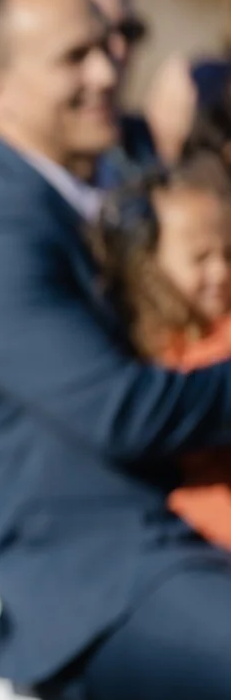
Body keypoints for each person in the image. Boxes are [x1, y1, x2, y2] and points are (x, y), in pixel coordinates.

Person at [0, 0, 231, 700]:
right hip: (97, 580)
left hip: (180, 531)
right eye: (74, 57)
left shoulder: (103, 193)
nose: (106, 70)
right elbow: (124, 413)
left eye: (111, 46)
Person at [92, 154, 231, 550]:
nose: (220, 272)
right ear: (149, 265)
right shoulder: (169, 355)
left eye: (228, 254)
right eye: (200, 258)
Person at [33, 0, 157, 185]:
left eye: (129, 32)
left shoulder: (148, 145)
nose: (118, 50)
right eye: (88, 40)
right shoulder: (6, 208)